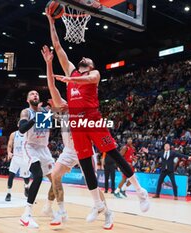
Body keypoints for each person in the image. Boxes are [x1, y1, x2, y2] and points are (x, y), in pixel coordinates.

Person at [46, 9, 150, 222]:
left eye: (88, 59)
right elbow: (57, 47)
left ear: (91, 66)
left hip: (92, 119)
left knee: (113, 154)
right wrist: (51, 21)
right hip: (76, 124)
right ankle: (97, 204)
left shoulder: (93, 74)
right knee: (85, 165)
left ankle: (140, 191)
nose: (83, 58)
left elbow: (91, 80)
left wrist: (71, 81)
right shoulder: (72, 71)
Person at [41, 45, 113, 229]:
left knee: (93, 184)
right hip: (69, 151)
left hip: (85, 150)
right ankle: (61, 211)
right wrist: (49, 64)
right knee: (55, 176)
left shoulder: (77, 103)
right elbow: (51, 85)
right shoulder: (62, 106)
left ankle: (107, 212)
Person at [18, 90, 55, 228]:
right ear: (28, 100)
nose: (35, 95)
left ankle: (49, 208)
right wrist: (37, 117)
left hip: (44, 149)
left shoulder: (45, 111)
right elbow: (22, 129)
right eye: (32, 94)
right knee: (38, 176)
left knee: (56, 180)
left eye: (37, 94)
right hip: (30, 147)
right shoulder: (26, 112)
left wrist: (53, 108)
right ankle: (26, 215)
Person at [5, 127, 30, 202]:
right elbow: (9, 145)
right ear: (18, 125)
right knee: (11, 176)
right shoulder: (13, 134)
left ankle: (26, 187)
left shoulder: (28, 134)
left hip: (25, 158)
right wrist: (9, 152)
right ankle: (8, 193)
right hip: (15, 157)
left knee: (26, 179)